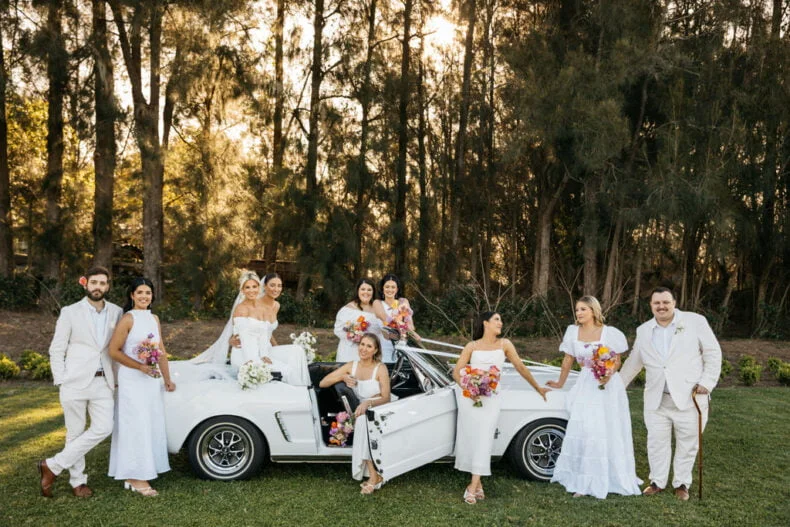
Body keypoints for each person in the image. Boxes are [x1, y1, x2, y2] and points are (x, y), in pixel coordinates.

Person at [619, 286, 722, 501]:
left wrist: (707, 382)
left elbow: (713, 352)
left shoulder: (695, 321)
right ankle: (657, 482)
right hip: (657, 398)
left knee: (688, 443)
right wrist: (617, 386)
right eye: (657, 303)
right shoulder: (643, 330)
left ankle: (682, 483)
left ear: (674, 303)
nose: (661, 306)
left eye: (666, 302)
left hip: (690, 397)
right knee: (656, 442)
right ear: (651, 306)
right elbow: (634, 362)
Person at [37, 267, 123, 498]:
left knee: (104, 427)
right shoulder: (70, 312)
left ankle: (52, 465)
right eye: (94, 282)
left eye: (102, 283)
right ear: (86, 284)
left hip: (103, 381)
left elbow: (116, 348)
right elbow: (57, 348)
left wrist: (116, 379)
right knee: (74, 432)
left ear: (108, 286)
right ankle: (78, 482)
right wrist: (61, 379)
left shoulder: (117, 312)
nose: (98, 287)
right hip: (74, 381)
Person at [546, 296, 642, 499]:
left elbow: (616, 360)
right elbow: (568, 360)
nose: (578, 313)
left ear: (593, 310)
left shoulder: (610, 333)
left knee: (605, 428)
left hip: (607, 385)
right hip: (585, 384)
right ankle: (583, 478)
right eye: (577, 309)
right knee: (586, 428)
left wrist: (609, 374)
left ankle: (606, 476)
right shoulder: (572, 332)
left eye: (583, 309)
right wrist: (560, 383)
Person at [452, 312, 549, 504]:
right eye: (496, 319)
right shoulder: (472, 346)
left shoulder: (505, 344)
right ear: (485, 323)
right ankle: (478, 484)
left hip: (492, 398)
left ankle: (472, 486)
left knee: (485, 437)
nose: (501, 323)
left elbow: (520, 366)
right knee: (472, 437)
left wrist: (537, 388)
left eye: (501, 320)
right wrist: (469, 389)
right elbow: (456, 372)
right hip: (471, 398)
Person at [107, 277, 176, 497]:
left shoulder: (154, 318)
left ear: (152, 296)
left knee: (148, 423)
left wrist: (167, 378)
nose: (144, 296)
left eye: (148, 292)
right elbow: (114, 351)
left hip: (150, 380)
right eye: (140, 293)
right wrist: (140, 367)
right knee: (134, 424)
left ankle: (142, 469)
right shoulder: (128, 318)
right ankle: (136, 477)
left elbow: (160, 350)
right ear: (132, 295)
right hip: (132, 379)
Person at [319, 333, 391, 494]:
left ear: (375, 350)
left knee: (363, 421)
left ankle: (373, 476)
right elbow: (322, 383)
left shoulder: (380, 368)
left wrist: (367, 403)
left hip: (379, 406)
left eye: (369, 346)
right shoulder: (351, 366)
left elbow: (386, 397)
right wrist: (342, 377)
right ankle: (374, 475)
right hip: (360, 410)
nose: (364, 349)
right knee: (362, 421)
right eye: (362, 344)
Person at [230, 272, 309, 385]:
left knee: (296, 352)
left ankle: (303, 388)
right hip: (245, 353)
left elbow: (264, 333)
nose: (251, 290)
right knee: (284, 371)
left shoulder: (264, 307)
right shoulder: (242, 309)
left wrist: (265, 354)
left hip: (263, 349)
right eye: (247, 287)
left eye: (254, 287)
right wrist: (251, 361)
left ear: (258, 287)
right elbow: (244, 337)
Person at [333, 279, 387, 362]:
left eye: (369, 290)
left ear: (373, 292)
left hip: (370, 353)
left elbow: (383, 329)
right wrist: (354, 334)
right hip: (349, 352)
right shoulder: (347, 309)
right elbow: (338, 330)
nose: (366, 292)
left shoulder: (378, 309)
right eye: (363, 289)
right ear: (358, 291)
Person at [378, 273, 420, 362]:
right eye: (387, 287)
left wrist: (409, 331)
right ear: (382, 288)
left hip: (399, 346)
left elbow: (411, 326)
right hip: (381, 348)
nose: (390, 290)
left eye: (393, 287)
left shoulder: (403, 302)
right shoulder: (377, 304)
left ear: (397, 289)